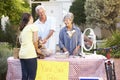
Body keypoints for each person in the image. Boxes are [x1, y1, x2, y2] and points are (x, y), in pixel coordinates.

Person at [19, 13, 41, 80]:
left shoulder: (23, 29)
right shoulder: (33, 26)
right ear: (30, 18)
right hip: (30, 54)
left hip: (22, 55)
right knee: (32, 76)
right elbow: (35, 40)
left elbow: (21, 42)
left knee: (24, 76)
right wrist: (37, 49)